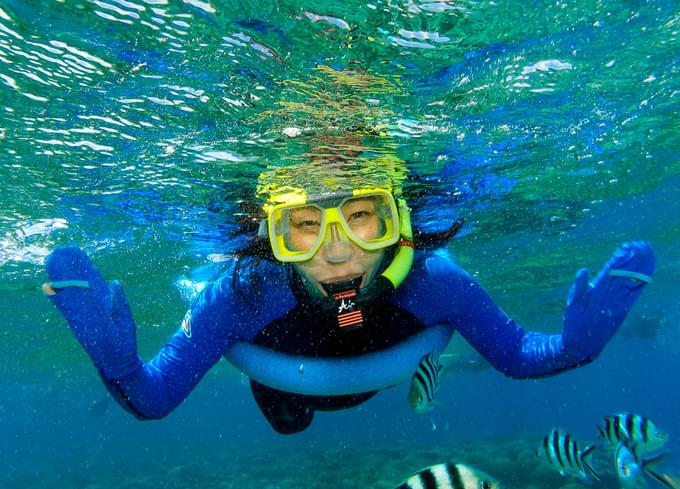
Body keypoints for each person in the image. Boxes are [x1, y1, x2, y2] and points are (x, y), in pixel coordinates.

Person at [42, 155, 655, 435]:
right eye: (304, 225)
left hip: (373, 379)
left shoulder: (435, 280)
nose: (336, 253)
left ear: (400, 223)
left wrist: (576, 345)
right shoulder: (242, 294)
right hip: (284, 393)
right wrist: (119, 362)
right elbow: (153, 399)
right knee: (289, 424)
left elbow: (521, 353)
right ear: (271, 234)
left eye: (364, 218)